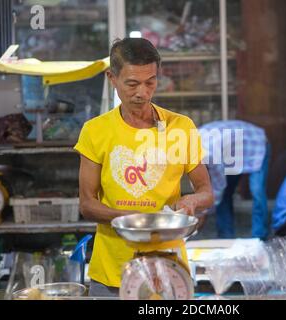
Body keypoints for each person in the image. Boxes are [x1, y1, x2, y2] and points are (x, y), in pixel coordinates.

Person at [74, 38, 214, 297]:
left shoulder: (180, 127)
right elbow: (87, 204)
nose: (142, 92)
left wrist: (193, 200)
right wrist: (136, 221)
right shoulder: (95, 131)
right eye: (132, 83)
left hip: (168, 269)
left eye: (150, 82)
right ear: (112, 78)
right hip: (111, 272)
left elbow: (206, 191)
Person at [199, 120, 270, 240]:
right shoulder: (187, 141)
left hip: (255, 142)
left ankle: (260, 237)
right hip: (232, 149)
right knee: (226, 193)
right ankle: (226, 237)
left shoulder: (208, 154)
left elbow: (218, 187)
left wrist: (204, 212)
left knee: (257, 191)